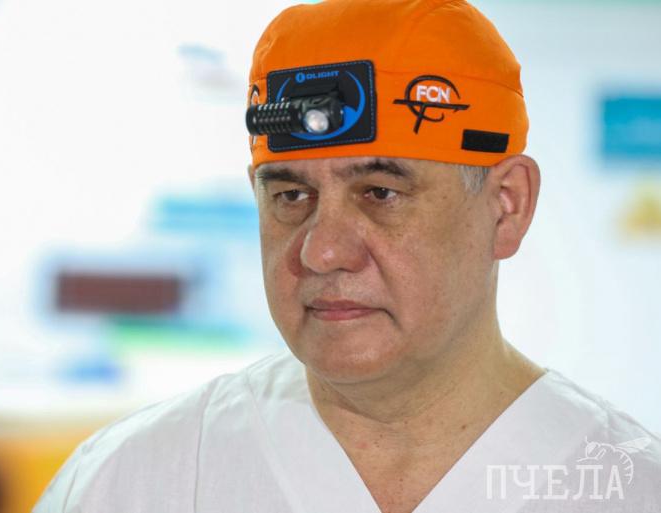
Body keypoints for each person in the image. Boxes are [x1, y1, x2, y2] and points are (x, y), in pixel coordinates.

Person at [34, 1, 661, 511]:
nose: (322, 250)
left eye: (381, 192)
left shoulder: (631, 490)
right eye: (290, 195)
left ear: (507, 206)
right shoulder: (133, 482)